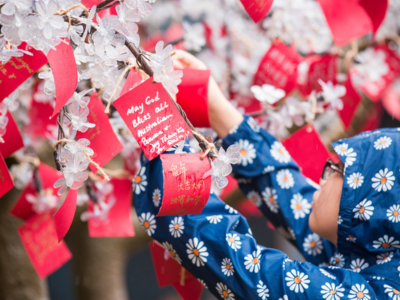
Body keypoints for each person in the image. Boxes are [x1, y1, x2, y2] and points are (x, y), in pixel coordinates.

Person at [134, 51, 400, 300]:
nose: (321, 178)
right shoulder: (377, 253)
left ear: (372, 202)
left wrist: (158, 125)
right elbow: (289, 193)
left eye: (339, 170)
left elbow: (247, 268)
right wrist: (212, 105)